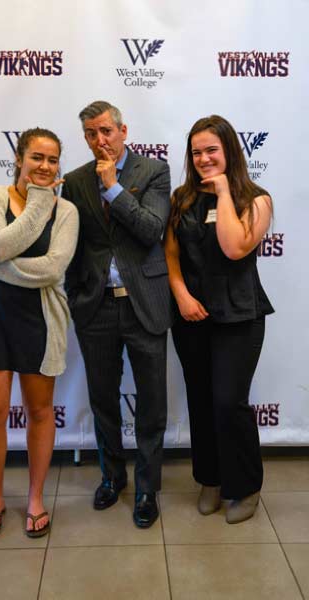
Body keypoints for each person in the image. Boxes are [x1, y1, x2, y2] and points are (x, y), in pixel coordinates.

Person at [62, 100, 173, 528]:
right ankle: (112, 477)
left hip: (145, 302)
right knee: (102, 398)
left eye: (106, 130)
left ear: (123, 131)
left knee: (151, 403)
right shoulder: (73, 181)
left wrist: (112, 187)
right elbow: (74, 248)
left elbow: (150, 230)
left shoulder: (154, 171)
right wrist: (77, 297)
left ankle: (147, 487)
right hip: (97, 307)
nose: (99, 140)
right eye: (90, 133)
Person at [0, 127, 79, 538]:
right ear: (19, 158)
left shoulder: (65, 211)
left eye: (52, 160)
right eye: (37, 158)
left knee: (40, 412)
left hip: (40, 322)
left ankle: (34, 498)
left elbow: (51, 269)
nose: (45, 166)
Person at [164, 115, 274, 524]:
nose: (204, 158)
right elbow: (171, 255)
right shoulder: (181, 199)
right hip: (191, 315)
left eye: (212, 150)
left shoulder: (257, 199)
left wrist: (225, 190)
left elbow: (233, 247)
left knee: (229, 402)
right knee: (202, 401)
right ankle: (209, 480)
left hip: (239, 316)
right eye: (196, 152)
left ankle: (245, 488)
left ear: (229, 150)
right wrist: (181, 295)